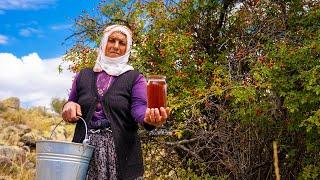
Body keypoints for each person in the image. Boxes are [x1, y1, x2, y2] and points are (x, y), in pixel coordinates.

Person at [62, 24, 170, 180]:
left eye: (122, 43)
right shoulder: (83, 75)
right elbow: (70, 103)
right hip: (84, 154)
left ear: (128, 48)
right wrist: (69, 106)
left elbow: (138, 108)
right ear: (104, 42)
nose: (116, 46)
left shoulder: (134, 78)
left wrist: (149, 118)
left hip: (121, 154)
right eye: (111, 40)